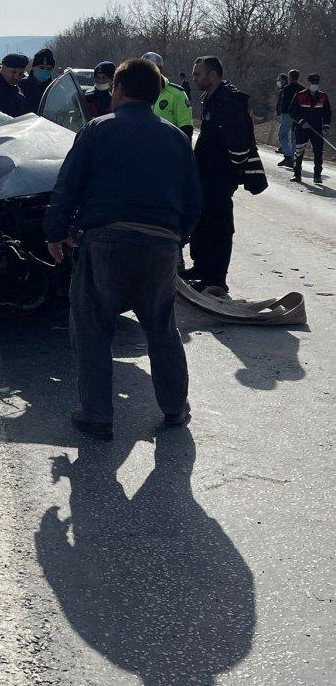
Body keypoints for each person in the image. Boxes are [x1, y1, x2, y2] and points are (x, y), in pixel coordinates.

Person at [44, 58, 201, 439]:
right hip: (161, 244)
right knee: (162, 328)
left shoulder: (97, 130)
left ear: (120, 90)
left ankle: (98, 414)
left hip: (105, 240)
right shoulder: (175, 138)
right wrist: (176, 238)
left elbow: (68, 186)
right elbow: (194, 200)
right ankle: (175, 409)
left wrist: (54, 233)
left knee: (93, 327)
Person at [188, 56, 267, 295]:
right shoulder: (211, 99)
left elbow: (240, 145)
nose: (194, 79)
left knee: (219, 228)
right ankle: (201, 268)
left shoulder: (230, 100)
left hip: (220, 178)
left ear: (213, 75)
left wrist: (229, 171)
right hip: (206, 176)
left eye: (198, 74)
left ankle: (216, 279)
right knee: (202, 224)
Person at [289, 72, 331, 185]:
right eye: (313, 82)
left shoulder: (323, 96)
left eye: (316, 83)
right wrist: (301, 121)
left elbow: (327, 112)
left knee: (318, 153)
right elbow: (292, 111)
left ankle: (317, 176)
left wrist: (326, 125)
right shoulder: (299, 95)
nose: (315, 84)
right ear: (308, 83)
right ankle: (297, 175)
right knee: (299, 152)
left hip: (317, 129)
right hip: (302, 128)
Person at [142, 52, 194, 142]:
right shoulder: (136, 93)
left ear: (160, 70)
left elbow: (186, 129)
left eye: (148, 69)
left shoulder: (177, 94)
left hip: (168, 151)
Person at [277, 69, 302, 168]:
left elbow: (284, 102)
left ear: (290, 77)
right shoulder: (302, 89)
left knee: (282, 135)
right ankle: (292, 158)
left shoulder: (287, 88)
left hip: (287, 114)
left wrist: (281, 112)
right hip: (298, 115)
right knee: (293, 137)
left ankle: (288, 157)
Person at [21, 47, 56, 113]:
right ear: (33, 67)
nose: (45, 71)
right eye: (41, 67)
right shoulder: (21, 86)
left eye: (48, 69)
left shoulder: (56, 89)